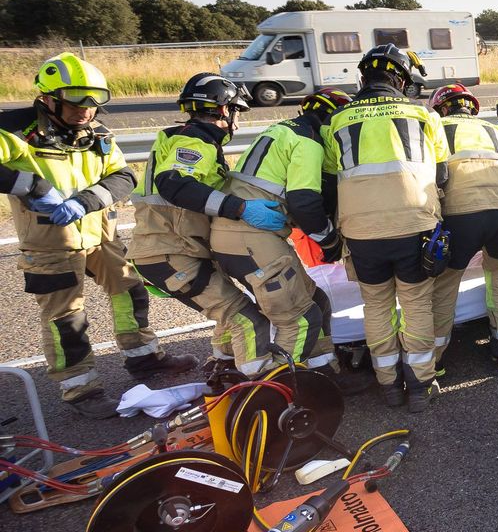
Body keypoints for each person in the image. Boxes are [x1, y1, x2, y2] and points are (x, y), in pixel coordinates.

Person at [1, 53, 192, 417]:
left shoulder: (96, 133)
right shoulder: (14, 131)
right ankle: (81, 389)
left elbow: (123, 175)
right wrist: (33, 186)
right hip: (49, 242)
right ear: (48, 98)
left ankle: (143, 358)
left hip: (100, 233)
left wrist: (85, 202)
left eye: (94, 101)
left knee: (130, 290)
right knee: (67, 317)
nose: (86, 110)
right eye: (76, 100)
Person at [209, 87, 367, 392]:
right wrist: (329, 241)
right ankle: (277, 391)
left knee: (317, 301)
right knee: (300, 317)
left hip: (235, 235)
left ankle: (324, 372)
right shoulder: (308, 142)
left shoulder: (282, 131)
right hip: (252, 239)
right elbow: (304, 202)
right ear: (329, 119)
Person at [322, 44, 449, 411]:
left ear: (364, 77)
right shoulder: (425, 115)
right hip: (415, 226)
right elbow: (442, 174)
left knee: (376, 306)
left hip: (361, 232)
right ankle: (420, 385)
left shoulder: (337, 120)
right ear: (401, 79)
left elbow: (329, 181)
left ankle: (389, 385)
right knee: (416, 305)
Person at [128, 73, 276, 381]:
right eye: (236, 111)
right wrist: (239, 208)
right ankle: (262, 383)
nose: (237, 121)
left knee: (230, 311)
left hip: (177, 250)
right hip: (170, 253)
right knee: (246, 320)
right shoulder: (195, 142)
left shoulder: (190, 139)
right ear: (223, 109)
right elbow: (174, 183)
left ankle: (223, 367)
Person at [426, 83, 498, 370]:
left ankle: (434, 361)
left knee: (445, 284)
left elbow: (432, 175)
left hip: (461, 212)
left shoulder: (436, 128)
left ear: (442, 108)